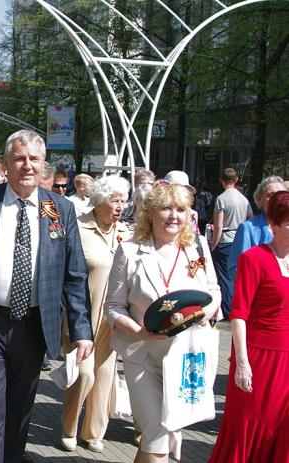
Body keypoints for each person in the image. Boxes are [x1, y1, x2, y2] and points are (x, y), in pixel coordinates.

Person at [0, 129, 93, 462]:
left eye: (34, 159)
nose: (27, 166)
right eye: (19, 158)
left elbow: (74, 275)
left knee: (19, 414)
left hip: (33, 328)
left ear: (44, 164)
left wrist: (81, 331)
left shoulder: (59, 209)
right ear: (5, 164)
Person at [104, 182, 220, 462]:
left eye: (180, 209)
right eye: (166, 208)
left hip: (185, 357)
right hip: (141, 355)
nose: (173, 216)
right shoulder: (129, 251)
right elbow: (113, 307)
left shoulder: (197, 248)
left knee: (162, 438)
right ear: (150, 213)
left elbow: (214, 292)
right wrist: (140, 331)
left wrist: (206, 311)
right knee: (156, 432)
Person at [209, 190, 289, 462]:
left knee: (282, 428)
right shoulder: (254, 258)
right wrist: (241, 363)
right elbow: (239, 314)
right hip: (258, 356)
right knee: (251, 423)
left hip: (287, 358)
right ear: (274, 225)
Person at [61, 175, 130, 453]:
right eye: (115, 201)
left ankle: (93, 432)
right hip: (82, 315)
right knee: (84, 373)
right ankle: (68, 428)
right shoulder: (78, 228)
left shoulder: (125, 232)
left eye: (123, 201)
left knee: (104, 376)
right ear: (99, 201)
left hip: (112, 318)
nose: (120, 207)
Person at [211, 167, 252, 318]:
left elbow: (219, 226)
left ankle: (228, 311)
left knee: (224, 278)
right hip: (240, 241)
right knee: (237, 277)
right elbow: (250, 219)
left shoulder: (221, 199)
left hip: (225, 240)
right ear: (236, 180)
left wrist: (214, 245)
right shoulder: (244, 199)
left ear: (221, 180)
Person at [228, 176, 285, 280]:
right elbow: (235, 269)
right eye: (270, 195)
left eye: (280, 194)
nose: (276, 198)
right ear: (260, 200)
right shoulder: (248, 228)